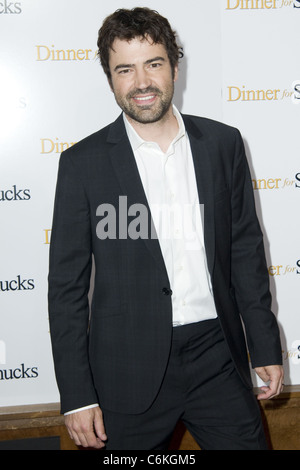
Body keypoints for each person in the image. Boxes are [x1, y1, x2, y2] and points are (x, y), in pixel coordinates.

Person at [48, 7, 284, 450]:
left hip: (216, 355)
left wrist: (265, 345)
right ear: (110, 78)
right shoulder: (83, 164)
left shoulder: (222, 144)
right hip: (126, 372)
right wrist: (77, 395)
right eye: (125, 69)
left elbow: (245, 253)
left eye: (153, 64)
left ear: (175, 66)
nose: (141, 82)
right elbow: (65, 290)